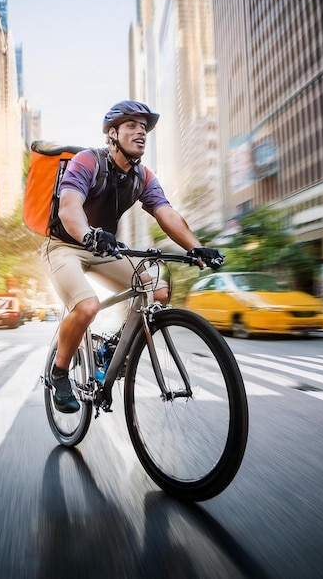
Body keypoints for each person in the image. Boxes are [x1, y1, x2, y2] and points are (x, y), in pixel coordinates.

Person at [40, 100, 224, 413]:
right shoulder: (88, 162)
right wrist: (88, 235)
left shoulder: (142, 177)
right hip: (65, 246)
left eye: (144, 127)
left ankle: (114, 348)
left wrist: (195, 246)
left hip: (105, 248)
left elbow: (166, 213)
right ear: (112, 134)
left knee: (158, 290)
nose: (141, 132)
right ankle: (58, 373)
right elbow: (69, 207)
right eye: (131, 126)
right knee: (87, 306)